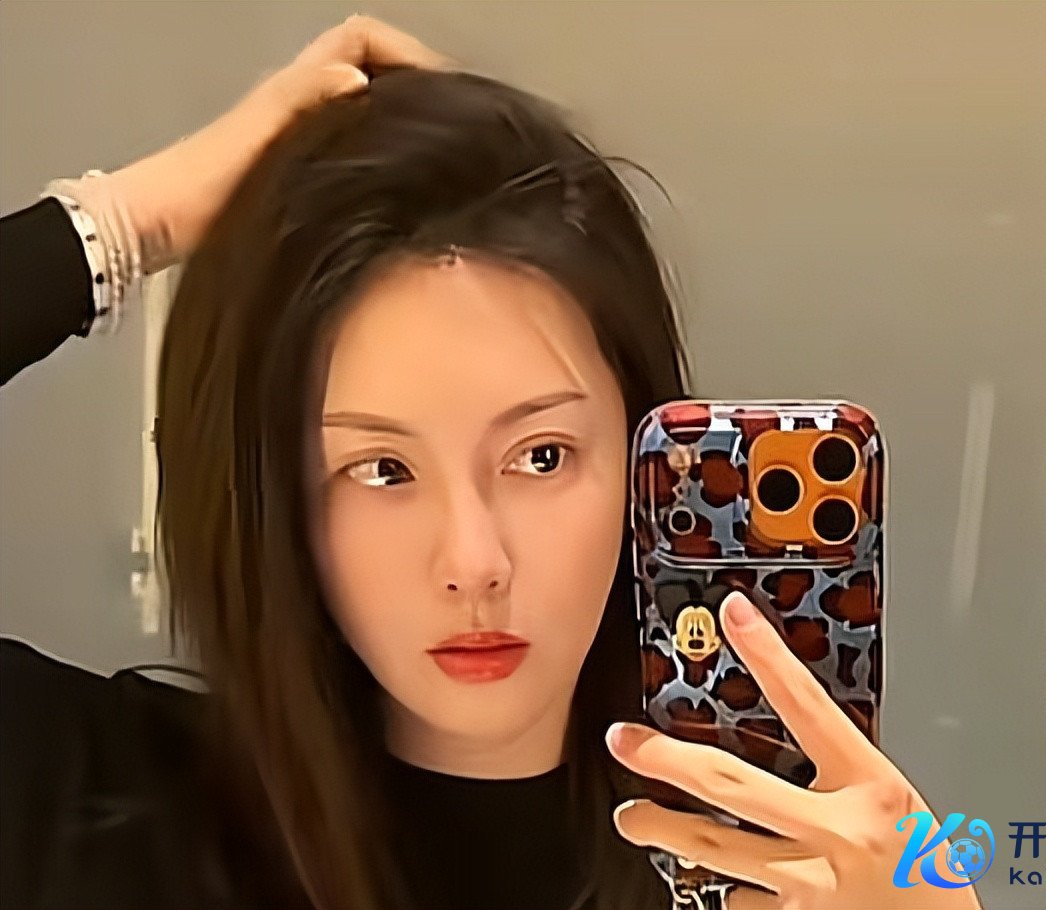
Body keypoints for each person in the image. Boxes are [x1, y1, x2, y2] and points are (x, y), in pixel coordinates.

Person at [0, 15, 984, 910]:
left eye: (541, 456)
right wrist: (124, 224)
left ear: (644, 466)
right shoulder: (98, 808)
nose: (474, 562)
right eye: (382, 470)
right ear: (278, 495)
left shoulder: (762, 878)